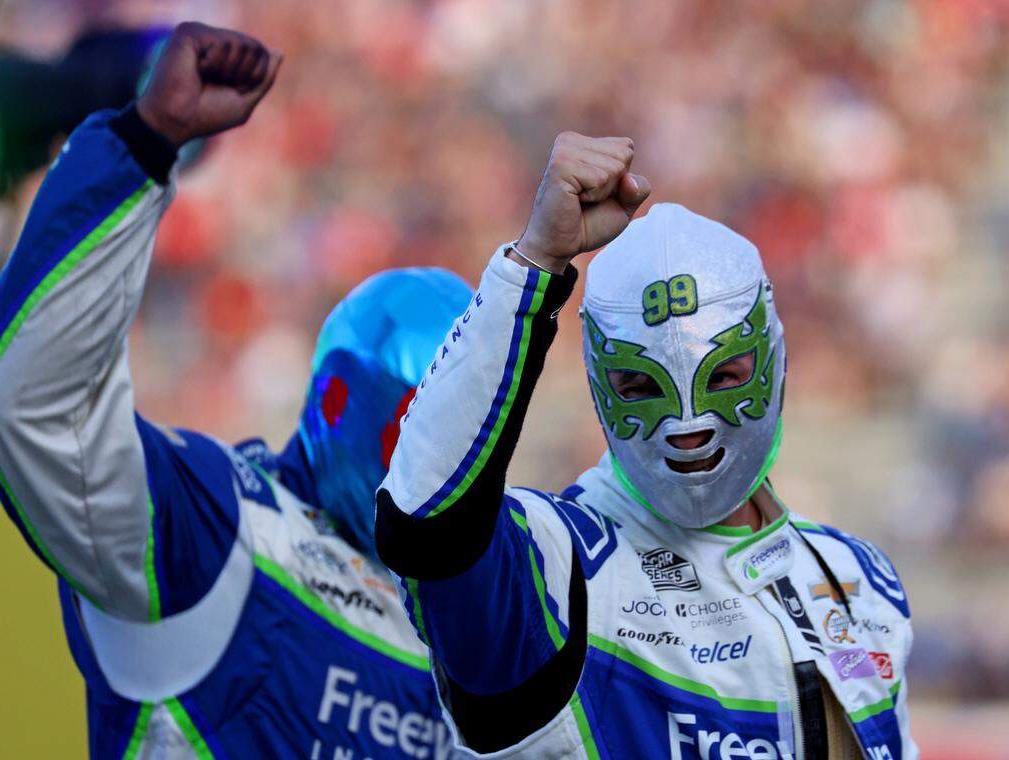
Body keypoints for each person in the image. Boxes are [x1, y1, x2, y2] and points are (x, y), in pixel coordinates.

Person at [0, 22, 471, 759]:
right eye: (424, 426)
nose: (454, 469)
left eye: (481, 438)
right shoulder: (215, 526)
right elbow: (30, 405)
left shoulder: (490, 616)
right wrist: (143, 143)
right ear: (336, 403)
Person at [376, 131, 918, 758]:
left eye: (724, 377)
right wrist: (534, 265)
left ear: (773, 356)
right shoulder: (561, 571)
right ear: (599, 385)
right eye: (641, 387)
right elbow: (421, 524)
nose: (689, 424)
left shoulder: (858, 578)